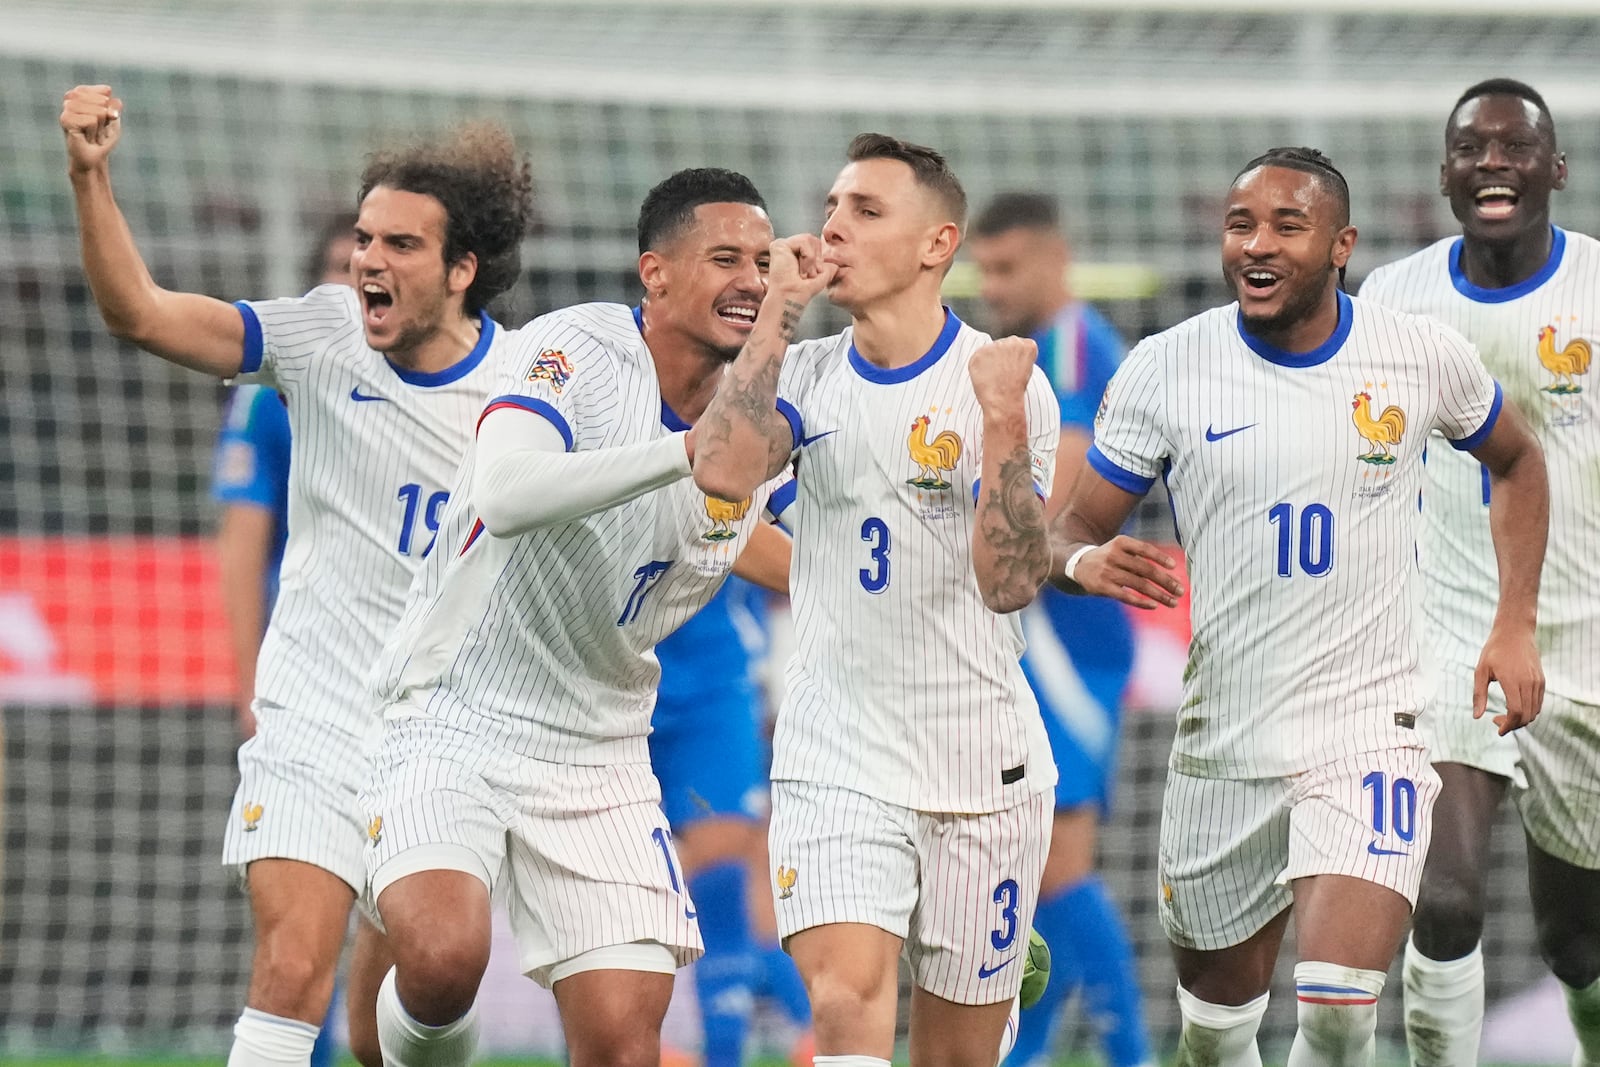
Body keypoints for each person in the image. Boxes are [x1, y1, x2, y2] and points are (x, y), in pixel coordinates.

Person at [60, 83, 533, 1067]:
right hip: (313, 712)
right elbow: (140, 313)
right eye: (365, 238)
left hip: (444, 736)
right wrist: (89, 174)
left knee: (436, 970)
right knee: (288, 970)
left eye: (401, 244)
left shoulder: (531, 388)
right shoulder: (318, 337)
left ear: (462, 269)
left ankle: (417, 1020)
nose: (368, 259)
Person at [1046, 145, 1549, 1067]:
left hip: (1368, 729)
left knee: (1337, 1008)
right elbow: (1064, 528)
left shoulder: (1417, 356)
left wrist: (1513, 621)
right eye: (1242, 225)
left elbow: (1517, 459)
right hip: (1224, 744)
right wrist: (1083, 558)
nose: (1257, 244)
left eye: (1287, 224)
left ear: (1341, 244)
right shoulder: (1168, 369)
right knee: (1216, 1033)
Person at [358, 167, 796, 1067]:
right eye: (724, 257)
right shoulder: (579, 348)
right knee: (443, 958)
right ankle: (400, 1034)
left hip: (601, 744)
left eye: (763, 259)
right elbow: (507, 490)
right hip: (458, 703)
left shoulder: (766, 424)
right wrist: (683, 452)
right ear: (656, 273)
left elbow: (788, 554)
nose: (750, 277)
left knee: (625, 1045)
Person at [692, 133, 1060, 1067]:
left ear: (937, 244)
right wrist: (776, 310)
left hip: (984, 771)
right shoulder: (805, 377)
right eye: (829, 208)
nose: (832, 227)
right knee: (846, 1003)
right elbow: (722, 479)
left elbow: (1009, 582)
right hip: (835, 759)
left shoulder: (1005, 380)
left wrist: (1004, 418)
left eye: (865, 210)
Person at [1359, 78, 1600, 1067]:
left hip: (1585, 638)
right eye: (1470, 148)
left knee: (1576, 940)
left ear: (1555, 169)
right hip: (1447, 627)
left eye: (1514, 147)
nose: (1491, 161)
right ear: (1445, 175)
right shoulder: (1392, 300)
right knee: (1446, 898)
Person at [969, 193, 1152, 1067]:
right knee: (1029, 879)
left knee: (1058, 867)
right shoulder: (1022, 355)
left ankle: (1135, 1053)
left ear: (1055, 260)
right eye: (985, 269)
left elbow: (1058, 505)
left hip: (1063, 640)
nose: (993, 286)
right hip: (1032, 634)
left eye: (1008, 268)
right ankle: (1021, 1053)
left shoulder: (1078, 346)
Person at [211, 211, 357, 1067]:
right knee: (301, 933)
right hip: (306, 685)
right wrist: (249, 685)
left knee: (425, 949)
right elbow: (241, 544)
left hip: (423, 697)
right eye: (338, 262)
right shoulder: (274, 389)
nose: (354, 277)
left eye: (368, 259)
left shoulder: (456, 381)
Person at [650, 576, 815, 1067]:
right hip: (603, 661)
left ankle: (740, 1052)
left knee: (727, 869)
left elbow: (781, 555)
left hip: (715, 671)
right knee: (589, 887)